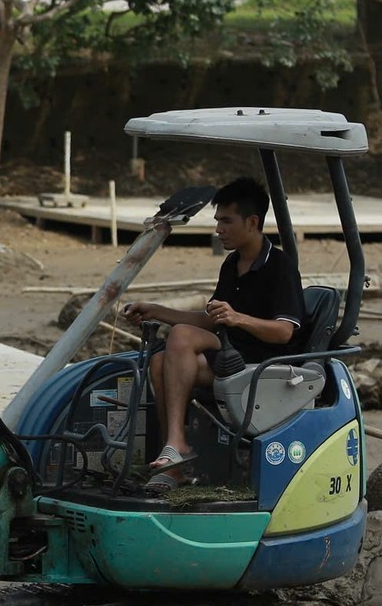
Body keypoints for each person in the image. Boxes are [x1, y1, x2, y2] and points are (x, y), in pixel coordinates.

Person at [118, 176, 307, 490]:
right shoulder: (232, 264)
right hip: (230, 354)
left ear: (252, 222)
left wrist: (238, 318)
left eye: (226, 221)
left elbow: (285, 332)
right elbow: (211, 319)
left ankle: (177, 444)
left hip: (261, 365)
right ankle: (175, 460)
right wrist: (156, 310)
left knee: (179, 337)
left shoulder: (280, 267)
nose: (218, 229)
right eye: (217, 220)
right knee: (159, 361)